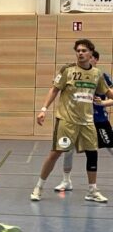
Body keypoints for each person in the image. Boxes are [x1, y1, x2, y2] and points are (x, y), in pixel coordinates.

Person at [31, 39, 113, 202]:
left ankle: (92, 191)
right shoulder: (67, 70)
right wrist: (43, 109)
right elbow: (54, 90)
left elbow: (108, 93)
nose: (80, 53)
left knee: (93, 153)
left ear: (91, 53)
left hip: (87, 122)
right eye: (78, 50)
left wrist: (104, 102)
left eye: (84, 50)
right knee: (56, 153)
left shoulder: (97, 74)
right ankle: (39, 187)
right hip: (67, 120)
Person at [54, 49, 113, 192]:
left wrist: (103, 103)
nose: (85, 58)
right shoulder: (75, 74)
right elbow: (59, 87)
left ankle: (92, 188)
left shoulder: (101, 76)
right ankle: (66, 181)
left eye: (90, 57)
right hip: (77, 119)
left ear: (95, 60)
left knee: (111, 147)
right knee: (68, 150)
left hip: (98, 120)